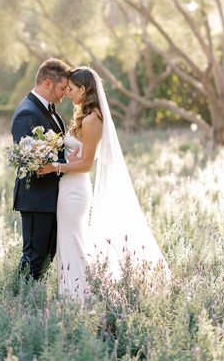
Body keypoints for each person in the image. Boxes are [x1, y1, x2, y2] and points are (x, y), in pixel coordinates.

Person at [38, 67, 169, 302]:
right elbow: (78, 156)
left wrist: (53, 167)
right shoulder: (87, 117)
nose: (67, 93)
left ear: (83, 89)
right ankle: (73, 294)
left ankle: (79, 297)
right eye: (65, 88)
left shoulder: (92, 120)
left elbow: (86, 163)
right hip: (69, 187)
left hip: (75, 190)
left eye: (71, 89)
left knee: (72, 241)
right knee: (69, 241)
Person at [10, 58, 76, 281]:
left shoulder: (51, 111)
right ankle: (18, 302)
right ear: (48, 83)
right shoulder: (27, 113)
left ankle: (29, 303)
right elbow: (28, 160)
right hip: (36, 199)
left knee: (47, 256)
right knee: (33, 258)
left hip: (52, 198)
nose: (64, 93)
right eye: (62, 88)